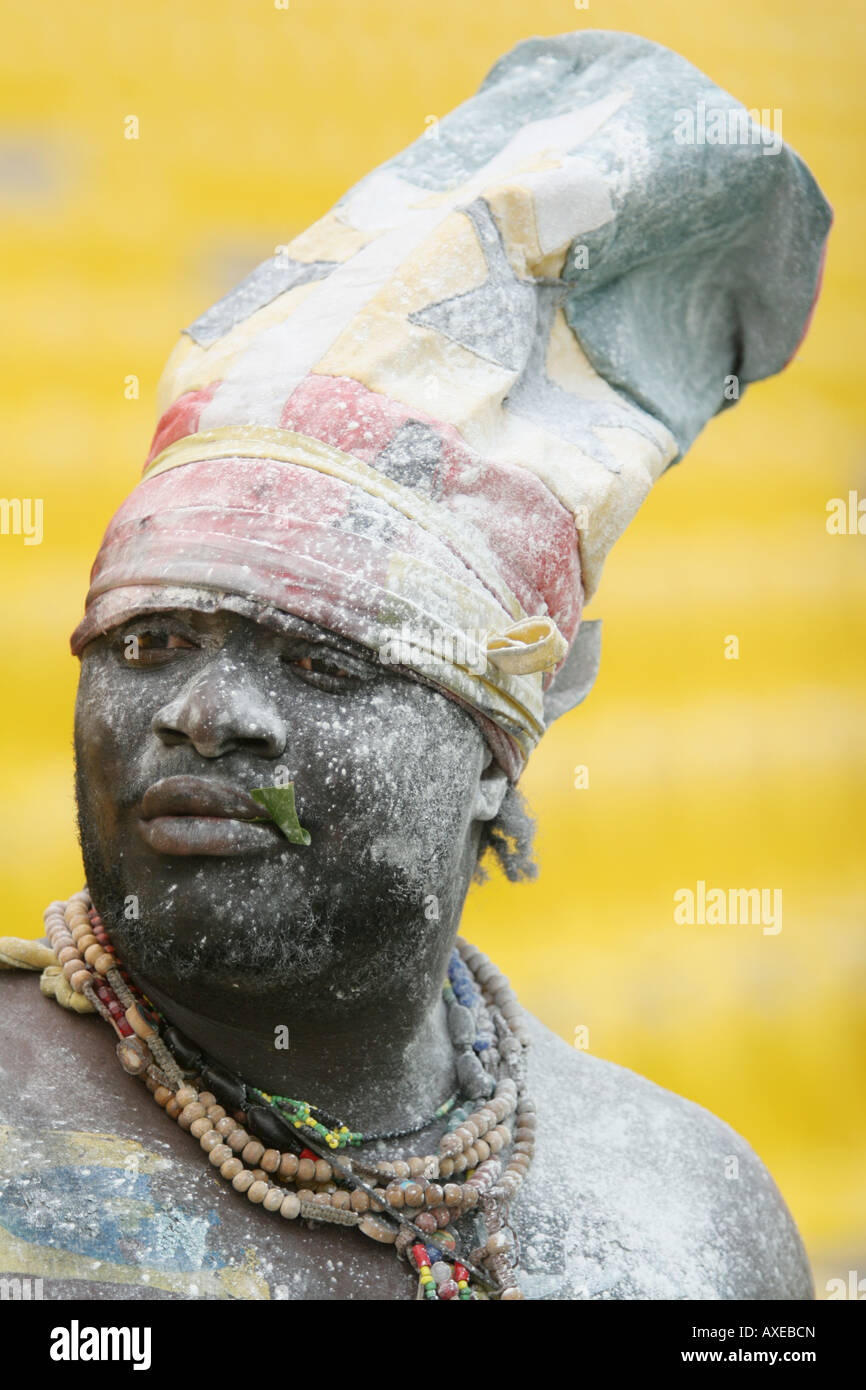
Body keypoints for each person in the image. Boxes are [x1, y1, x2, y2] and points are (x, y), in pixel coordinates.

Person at [0, 30, 830, 1301]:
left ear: (490, 759)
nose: (205, 715)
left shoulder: (686, 1215)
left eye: (323, 660)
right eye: (146, 642)